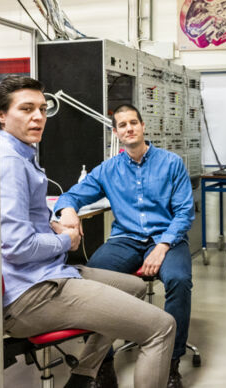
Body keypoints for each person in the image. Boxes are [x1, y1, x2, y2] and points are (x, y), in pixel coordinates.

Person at [0, 76, 175, 388]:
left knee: (134, 286)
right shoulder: (10, 161)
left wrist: (50, 225)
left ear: (144, 127)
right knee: (162, 327)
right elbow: (17, 246)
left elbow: (11, 227)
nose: (38, 117)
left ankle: (83, 375)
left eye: (41, 109)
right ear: (1, 115)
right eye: (26, 109)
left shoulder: (17, 151)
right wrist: (67, 238)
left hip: (42, 274)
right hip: (33, 291)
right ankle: (89, 374)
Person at [54, 103, 195, 388]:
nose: (129, 128)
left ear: (143, 126)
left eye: (133, 122)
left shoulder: (171, 163)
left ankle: (171, 363)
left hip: (166, 237)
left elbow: (184, 213)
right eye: (122, 125)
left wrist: (163, 245)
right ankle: (102, 364)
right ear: (116, 133)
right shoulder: (108, 169)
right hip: (126, 240)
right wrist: (68, 210)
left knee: (179, 280)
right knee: (89, 279)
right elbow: (70, 196)